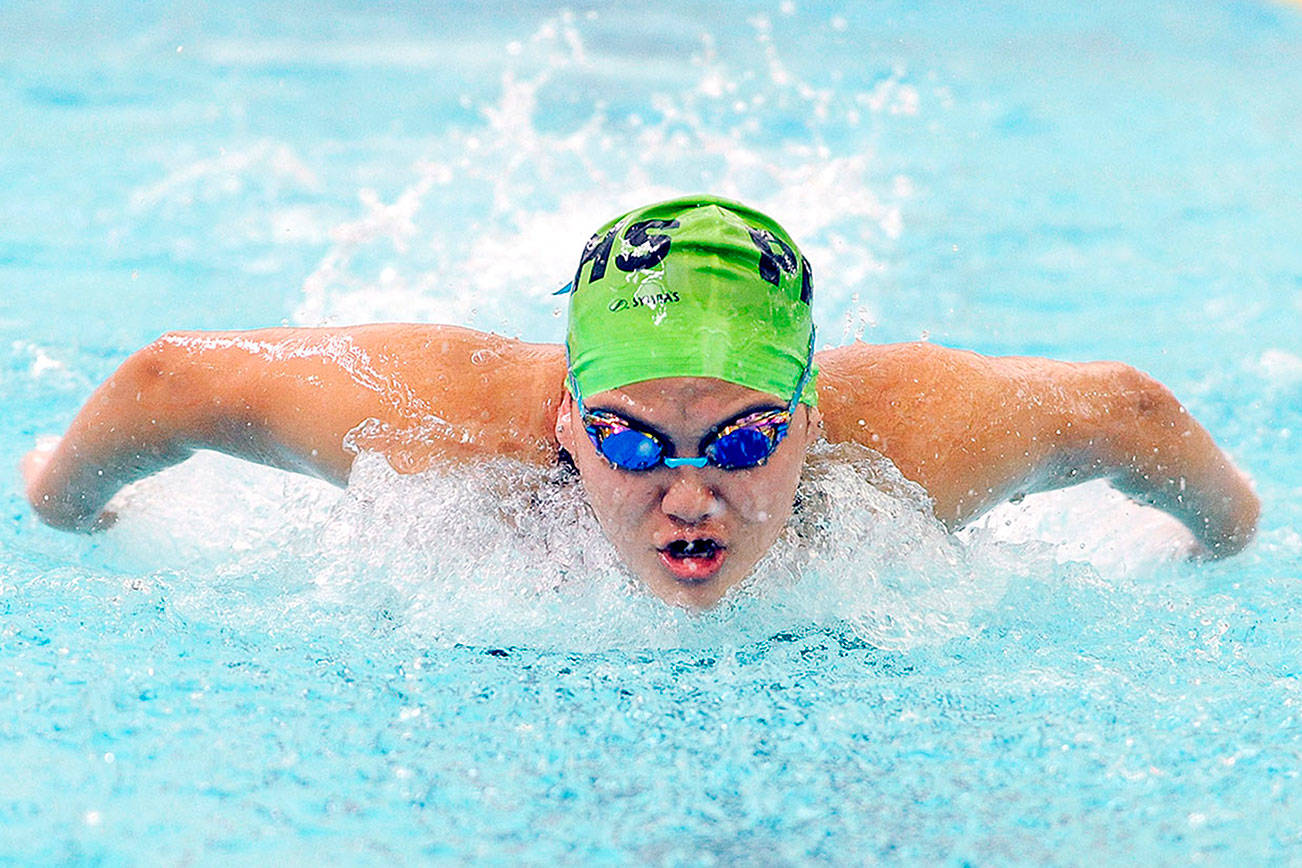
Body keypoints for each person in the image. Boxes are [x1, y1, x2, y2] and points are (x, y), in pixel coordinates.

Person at [22, 195, 1259, 608]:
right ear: (564, 414)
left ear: (813, 417)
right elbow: (171, 378)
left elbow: (1137, 413)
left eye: (744, 437)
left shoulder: (920, 444)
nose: (688, 491)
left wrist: (1221, 539)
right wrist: (63, 507)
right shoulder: (437, 431)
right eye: (626, 437)